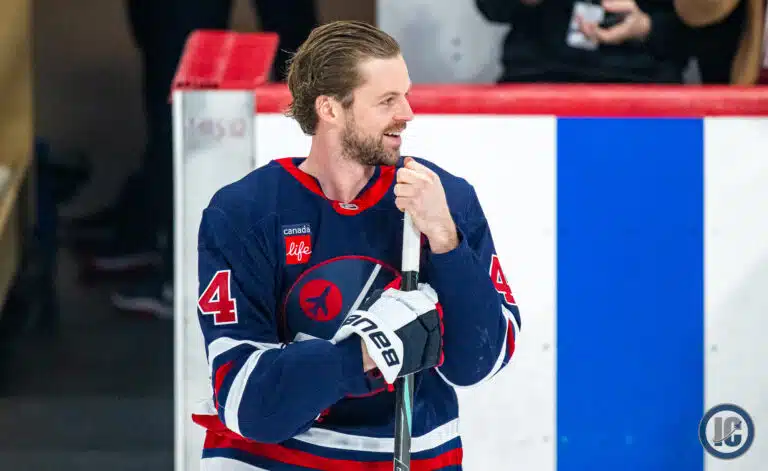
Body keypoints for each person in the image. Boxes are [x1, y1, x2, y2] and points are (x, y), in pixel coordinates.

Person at [192, 20, 522, 470]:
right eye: (387, 100)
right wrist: (368, 351)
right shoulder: (246, 211)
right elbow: (248, 405)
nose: (407, 113)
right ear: (329, 108)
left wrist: (447, 243)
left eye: (406, 95)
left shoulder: (441, 197)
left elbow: (479, 363)